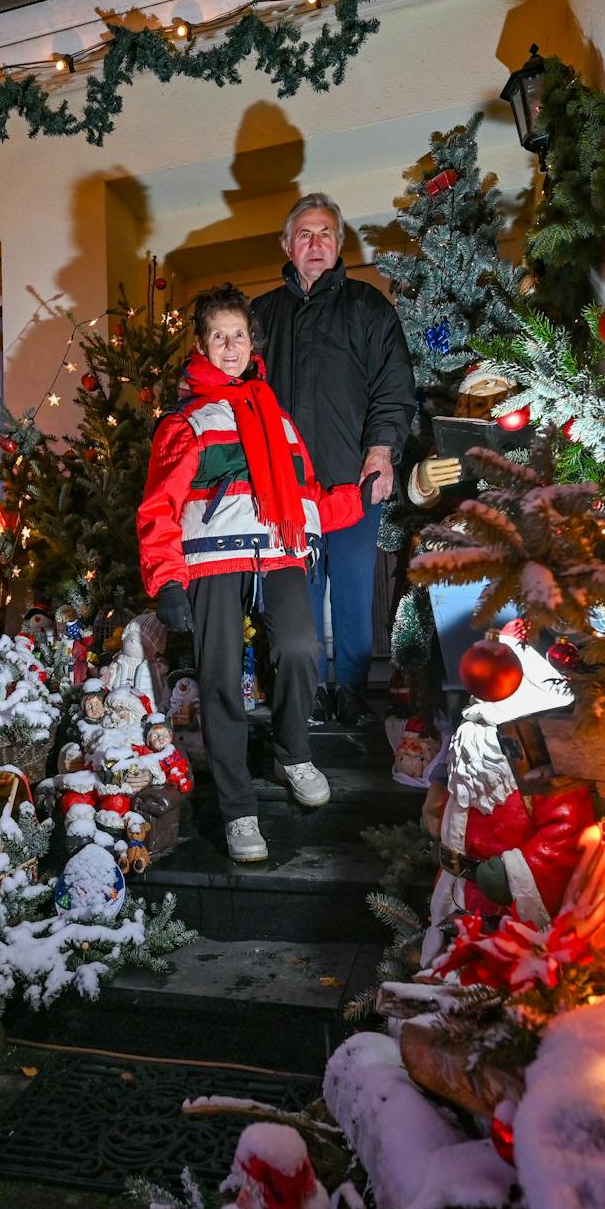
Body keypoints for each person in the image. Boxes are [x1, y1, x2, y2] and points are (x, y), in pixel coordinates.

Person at [138, 285, 363, 862]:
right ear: (201, 345)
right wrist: (166, 579)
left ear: (251, 341)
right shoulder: (186, 421)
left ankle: (293, 752)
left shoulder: (278, 419)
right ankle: (239, 811)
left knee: (301, 647)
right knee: (218, 679)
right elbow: (158, 506)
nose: (230, 345)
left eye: (238, 334)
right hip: (212, 561)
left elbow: (307, 496)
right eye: (219, 336)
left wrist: (378, 494)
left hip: (280, 553)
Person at [251, 193, 417, 727]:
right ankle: (306, 695)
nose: (315, 244)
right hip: (285, 491)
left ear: (339, 243)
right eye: (304, 234)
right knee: (298, 594)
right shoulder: (262, 317)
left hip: (353, 481)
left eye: (325, 234)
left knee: (350, 590)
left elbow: (394, 387)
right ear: (287, 246)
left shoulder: (368, 308)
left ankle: (347, 689)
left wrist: (381, 452)